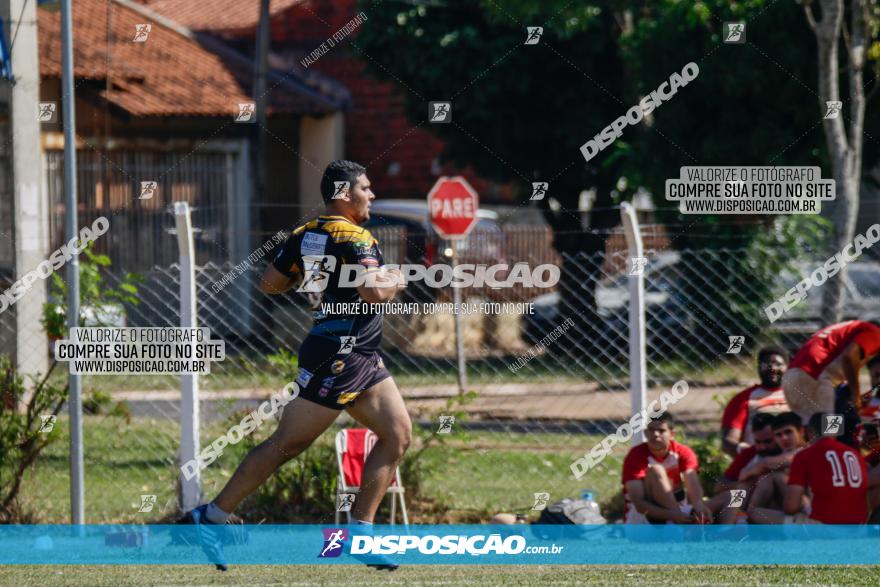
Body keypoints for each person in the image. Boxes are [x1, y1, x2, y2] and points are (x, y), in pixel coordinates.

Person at [179, 160, 410, 571]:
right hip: (341, 355)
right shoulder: (356, 237)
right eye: (366, 188)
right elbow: (375, 292)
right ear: (344, 193)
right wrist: (397, 276)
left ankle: (360, 534)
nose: (371, 195)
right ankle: (210, 517)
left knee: (397, 434)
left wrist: (314, 275)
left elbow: (269, 284)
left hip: (356, 353)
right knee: (287, 444)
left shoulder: (305, 233)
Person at [622, 413, 736, 524]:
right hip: (644, 520)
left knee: (735, 496)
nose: (655, 434)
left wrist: (698, 506)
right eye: (651, 430)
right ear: (646, 433)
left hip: (680, 513)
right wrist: (673, 515)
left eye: (661, 431)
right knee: (656, 470)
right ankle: (685, 526)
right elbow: (639, 504)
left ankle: (723, 534)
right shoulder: (636, 455)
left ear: (672, 434)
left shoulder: (683, 452)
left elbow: (692, 484)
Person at [783, 320, 880, 422]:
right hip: (814, 378)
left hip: (795, 378)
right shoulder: (875, 333)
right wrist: (855, 395)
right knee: (829, 432)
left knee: (810, 431)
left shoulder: (847, 328)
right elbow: (849, 356)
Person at [783, 413, 870, 524]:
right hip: (858, 528)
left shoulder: (804, 455)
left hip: (825, 528)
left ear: (809, 432)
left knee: (756, 512)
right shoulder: (855, 454)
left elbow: (790, 507)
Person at [720, 346, 789, 457]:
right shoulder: (743, 399)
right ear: (758, 367)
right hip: (758, 463)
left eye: (778, 364)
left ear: (787, 367)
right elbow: (728, 442)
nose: (773, 368)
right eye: (767, 364)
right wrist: (750, 455)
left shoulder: (798, 396)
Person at [746, 412, 807, 524]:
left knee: (772, 475)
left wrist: (761, 466)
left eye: (788, 432)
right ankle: (740, 519)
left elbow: (767, 464)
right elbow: (739, 477)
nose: (784, 438)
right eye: (779, 435)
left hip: (807, 511)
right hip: (788, 510)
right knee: (742, 489)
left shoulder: (808, 451)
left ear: (801, 431)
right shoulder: (761, 453)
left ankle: (742, 521)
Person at [714, 412, 781, 509]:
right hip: (749, 503)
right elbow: (718, 487)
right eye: (757, 442)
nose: (762, 447)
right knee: (732, 495)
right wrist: (747, 484)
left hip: (779, 506)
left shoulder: (788, 453)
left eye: (768, 441)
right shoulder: (750, 453)